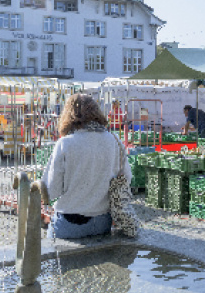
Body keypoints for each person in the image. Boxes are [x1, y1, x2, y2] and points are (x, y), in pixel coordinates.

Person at [40, 94, 138, 239]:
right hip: (102, 222)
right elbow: (127, 178)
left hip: (68, 223)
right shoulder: (114, 140)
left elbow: (51, 190)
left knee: (52, 254)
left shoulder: (65, 143)